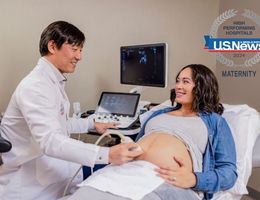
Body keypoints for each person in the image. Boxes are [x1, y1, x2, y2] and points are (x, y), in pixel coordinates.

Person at [0, 21, 142, 200]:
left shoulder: (51, 80)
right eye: (75, 49)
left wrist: (91, 123)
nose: (79, 56)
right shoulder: (35, 86)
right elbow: (50, 140)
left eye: (81, 50)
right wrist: (107, 154)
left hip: (51, 171)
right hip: (30, 185)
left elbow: (59, 122)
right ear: (53, 46)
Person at [63, 64, 237, 200]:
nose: (178, 86)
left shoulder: (214, 122)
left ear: (202, 86)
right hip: (125, 172)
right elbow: (140, 142)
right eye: (177, 81)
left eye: (185, 81)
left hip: (165, 180)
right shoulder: (159, 113)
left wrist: (194, 179)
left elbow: (229, 173)